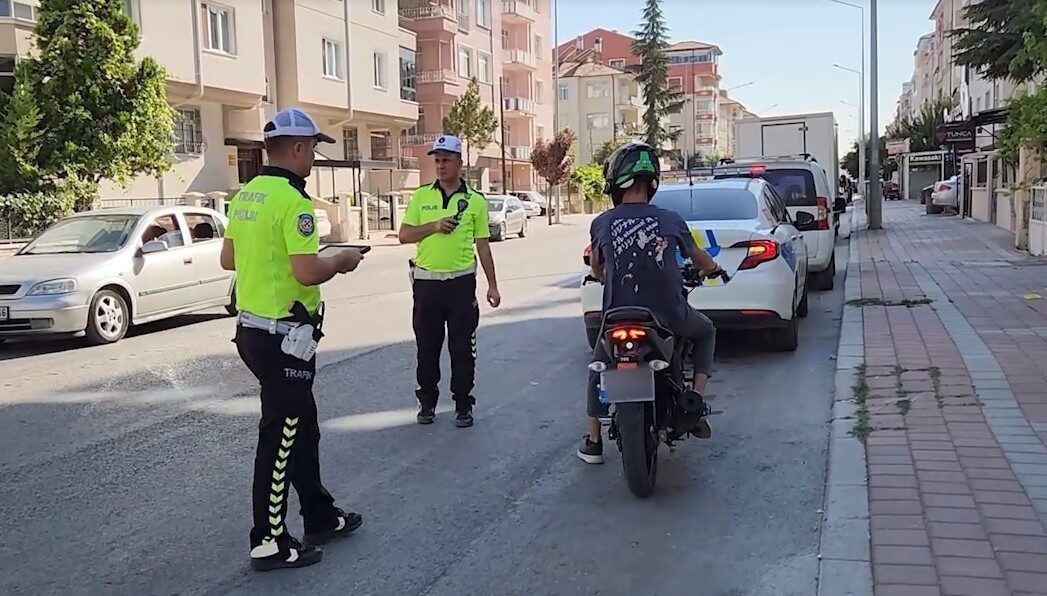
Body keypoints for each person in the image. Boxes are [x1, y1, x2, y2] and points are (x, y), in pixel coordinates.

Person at [221, 107, 365, 572]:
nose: (314, 159)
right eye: (314, 150)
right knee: (282, 434)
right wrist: (339, 259)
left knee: (303, 425)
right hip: (283, 337)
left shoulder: (246, 195)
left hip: (253, 330)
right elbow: (306, 269)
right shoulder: (294, 202)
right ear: (299, 148)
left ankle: (319, 514)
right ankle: (268, 540)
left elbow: (229, 259)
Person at [578, 141, 722, 465]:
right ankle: (695, 400)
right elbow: (697, 256)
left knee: (599, 365)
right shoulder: (670, 220)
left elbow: (597, 266)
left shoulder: (602, 222)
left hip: (616, 316)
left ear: (616, 181)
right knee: (707, 331)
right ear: (651, 181)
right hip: (669, 316)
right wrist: (712, 268)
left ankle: (593, 439)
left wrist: (599, 274)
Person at [398, 135, 501, 428]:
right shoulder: (421, 197)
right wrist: (432, 226)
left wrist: (492, 285)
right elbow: (404, 235)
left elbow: (483, 245)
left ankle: (463, 404)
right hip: (427, 284)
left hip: (460, 284)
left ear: (459, 162)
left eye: (446, 160)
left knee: (462, 348)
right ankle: (427, 402)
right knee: (427, 348)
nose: (440, 165)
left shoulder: (475, 201)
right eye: (437, 160)